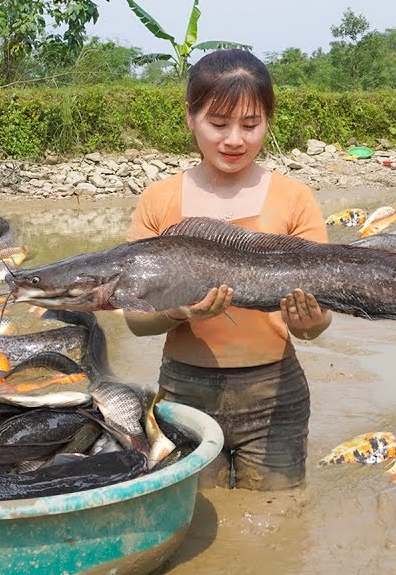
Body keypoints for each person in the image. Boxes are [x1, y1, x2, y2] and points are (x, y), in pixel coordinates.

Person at [123, 49, 331, 490]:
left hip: (274, 396)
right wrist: (179, 312)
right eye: (218, 124)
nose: (234, 139)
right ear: (190, 117)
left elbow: (318, 324)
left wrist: (310, 322)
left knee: (276, 522)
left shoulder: (293, 199)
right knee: (197, 519)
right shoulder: (160, 201)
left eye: (250, 125)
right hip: (184, 396)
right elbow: (135, 320)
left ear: (268, 120)